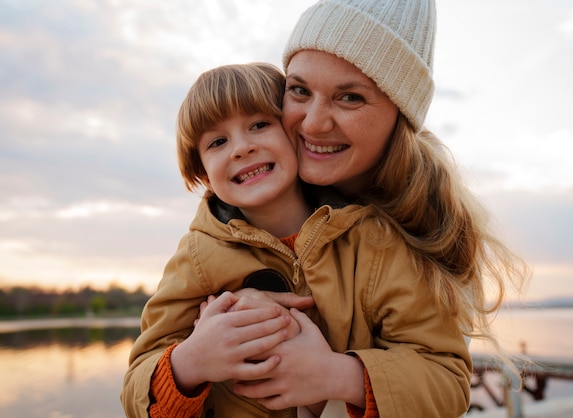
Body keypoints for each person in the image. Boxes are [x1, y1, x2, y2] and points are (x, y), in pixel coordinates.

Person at [121, 58, 473, 418]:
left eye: (259, 124)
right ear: (203, 174)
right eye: (218, 142)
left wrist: (337, 376)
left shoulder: (374, 241)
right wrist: (191, 361)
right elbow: (137, 388)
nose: (241, 148)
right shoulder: (196, 256)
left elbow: (447, 381)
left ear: (295, 135)